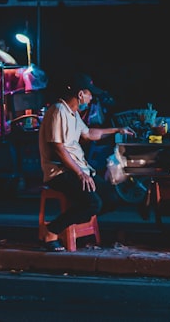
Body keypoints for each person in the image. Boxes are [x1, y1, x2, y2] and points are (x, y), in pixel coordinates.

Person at [37, 73, 134, 252]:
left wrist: (117, 130)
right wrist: (80, 173)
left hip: (77, 170)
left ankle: (75, 222)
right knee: (93, 204)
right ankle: (52, 231)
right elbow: (58, 148)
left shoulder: (73, 114)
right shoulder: (58, 111)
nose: (91, 99)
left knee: (112, 199)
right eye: (90, 94)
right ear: (81, 94)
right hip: (59, 172)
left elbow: (89, 133)